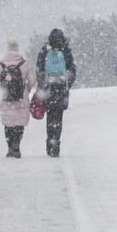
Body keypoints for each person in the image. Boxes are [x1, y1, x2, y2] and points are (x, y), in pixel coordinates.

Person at [0, 39, 36, 158]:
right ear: (17, 49)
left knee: (8, 123)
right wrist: (27, 90)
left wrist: (2, 91)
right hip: (21, 98)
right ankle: (17, 147)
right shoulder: (25, 63)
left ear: (7, 49)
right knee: (19, 123)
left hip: (6, 99)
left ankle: (10, 148)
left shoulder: (0, 64)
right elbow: (32, 81)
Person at [36, 28, 77, 157]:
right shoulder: (66, 52)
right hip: (61, 90)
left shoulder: (44, 51)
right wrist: (66, 86)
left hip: (48, 90)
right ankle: (56, 146)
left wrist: (43, 85)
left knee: (50, 117)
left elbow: (38, 70)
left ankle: (49, 144)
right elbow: (72, 71)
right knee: (58, 118)